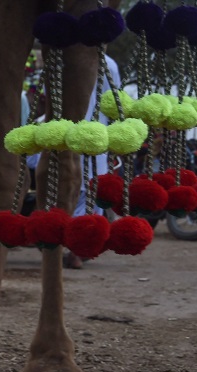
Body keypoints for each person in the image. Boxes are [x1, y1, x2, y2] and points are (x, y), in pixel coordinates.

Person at [65, 53, 121, 269]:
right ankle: (77, 251)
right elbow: (114, 103)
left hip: (67, 133)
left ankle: (70, 245)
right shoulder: (110, 64)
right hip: (97, 135)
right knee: (89, 193)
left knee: (73, 189)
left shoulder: (64, 53)